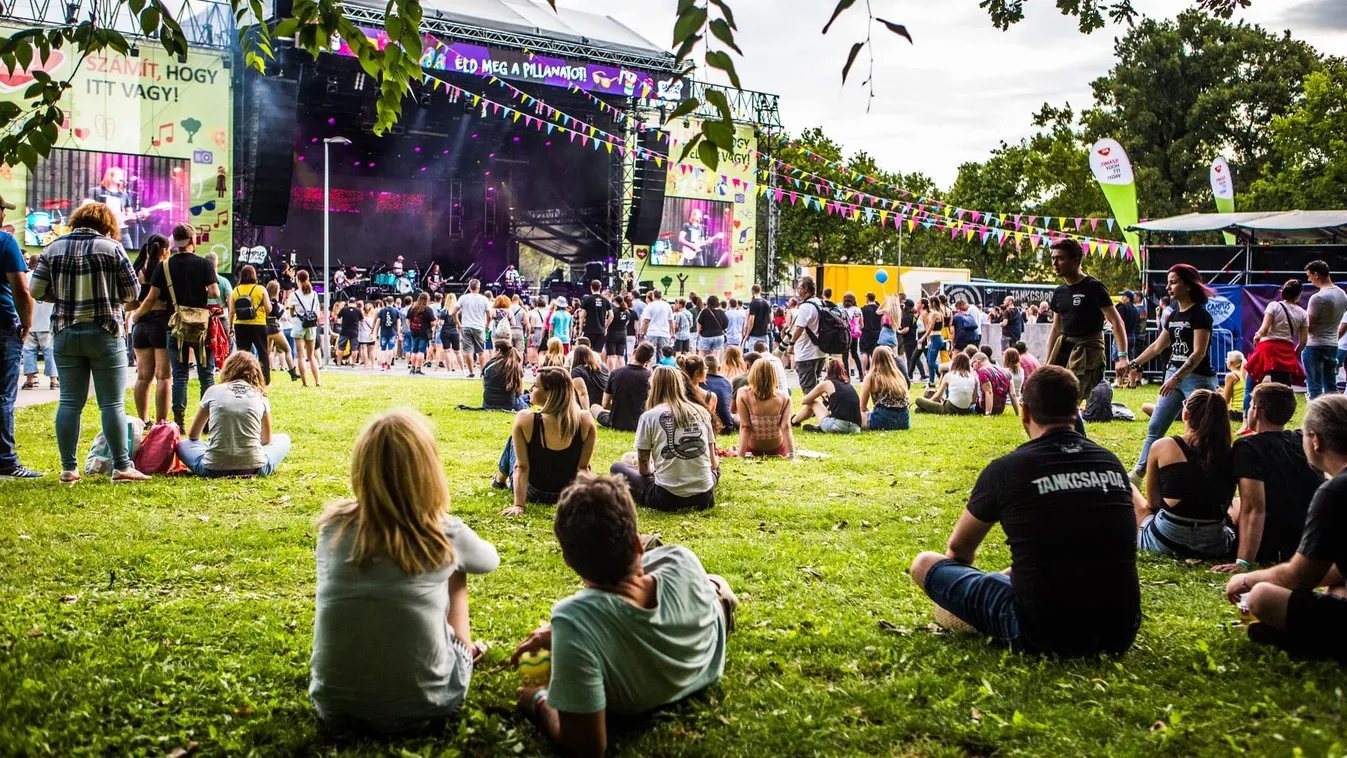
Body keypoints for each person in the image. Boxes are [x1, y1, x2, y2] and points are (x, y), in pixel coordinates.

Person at [908, 365, 1141, 656]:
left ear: (1025, 413)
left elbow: (959, 551)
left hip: (1042, 631)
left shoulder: (1007, 470)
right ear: (1076, 411)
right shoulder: (1111, 463)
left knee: (924, 563)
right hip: (1119, 629)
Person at [511, 474, 733, 756]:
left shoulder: (573, 619)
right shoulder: (680, 558)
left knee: (712, 583)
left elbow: (586, 746)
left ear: (569, 562)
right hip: (714, 625)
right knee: (714, 583)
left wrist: (539, 700)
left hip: (705, 610)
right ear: (638, 544)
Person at [309, 409, 497, 733]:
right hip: (430, 703)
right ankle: (462, 651)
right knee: (457, 571)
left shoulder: (333, 528)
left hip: (334, 706)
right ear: (429, 470)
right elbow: (489, 560)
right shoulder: (442, 533)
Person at [29, 203, 151, 481]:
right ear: (107, 225)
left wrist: (60, 297)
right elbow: (132, 291)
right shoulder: (113, 248)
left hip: (65, 331)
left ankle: (68, 468)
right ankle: (122, 467)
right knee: (111, 404)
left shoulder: (53, 248)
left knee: (69, 402)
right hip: (105, 331)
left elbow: (36, 289)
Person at [1222, 393, 1347, 663]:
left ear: (1316, 440)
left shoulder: (1335, 492)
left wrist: (1246, 580)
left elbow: (1299, 577)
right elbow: (1335, 570)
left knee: (1262, 596)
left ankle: (1313, 644)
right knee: (1338, 589)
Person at [1212, 383, 1320, 575]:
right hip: (1310, 538)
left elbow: (1254, 507)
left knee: (1233, 506)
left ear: (1256, 410)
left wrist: (1244, 562)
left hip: (1275, 543)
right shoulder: (1301, 439)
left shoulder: (1248, 447)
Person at [1126, 264, 1220, 480]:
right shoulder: (1174, 316)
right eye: (1168, 282)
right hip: (1173, 376)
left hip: (1197, 380)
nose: (1168, 287)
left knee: (1204, 432)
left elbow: (1199, 353)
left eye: (1173, 282)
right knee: (1155, 426)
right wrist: (1132, 365)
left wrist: (1177, 378)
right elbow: (1156, 347)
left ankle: (1211, 475)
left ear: (1188, 286)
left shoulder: (1200, 316)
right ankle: (1138, 474)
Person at [136, 224, 218, 430]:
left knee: (180, 375)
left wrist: (137, 316)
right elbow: (215, 292)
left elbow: (151, 297)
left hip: (175, 324)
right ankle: (207, 422)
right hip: (201, 325)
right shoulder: (204, 264)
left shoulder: (164, 266)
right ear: (192, 240)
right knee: (206, 375)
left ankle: (179, 421)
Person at [1137, 389, 1236, 559]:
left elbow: (1152, 503)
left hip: (1166, 540)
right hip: (1214, 543)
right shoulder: (1230, 452)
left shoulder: (1163, 446)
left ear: (1186, 415)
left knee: (1129, 488)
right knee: (1238, 504)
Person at [609, 365, 719, 510]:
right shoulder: (702, 412)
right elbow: (713, 463)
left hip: (666, 498)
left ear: (653, 386)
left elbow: (644, 470)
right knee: (716, 470)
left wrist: (654, 467)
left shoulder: (648, 417)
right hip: (705, 497)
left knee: (617, 467)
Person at [495, 367, 597, 516]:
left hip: (533, 492)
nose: (531, 389)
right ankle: (499, 479)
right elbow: (583, 468)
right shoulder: (585, 419)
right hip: (567, 494)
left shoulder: (525, 419)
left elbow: (521, 467)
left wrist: (518, 505)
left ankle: (499, 480)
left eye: (535, 385)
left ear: (549, 392)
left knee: (513, 440)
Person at [1045, 239, 1129, 413]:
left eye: (1060, 258)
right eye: (1053, 258)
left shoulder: (1093, 287)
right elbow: (1056, 328)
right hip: (1064, 348)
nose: (1054, 263)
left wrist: (1122, 357)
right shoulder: (1059, 292)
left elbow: (1116, 321)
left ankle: (1070, 429)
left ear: (1075, 260)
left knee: (1069, 400)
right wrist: (1048, 362)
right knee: (1054, 397)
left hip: (1088, 351)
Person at [176, 351, 290, 477]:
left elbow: (193, 435)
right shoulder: (260, 395)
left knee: (183, 444)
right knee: (283, 439)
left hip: (212, 468)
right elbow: (266, 439)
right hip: (255, 468)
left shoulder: (213, 391)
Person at [0, 195, 39, 479]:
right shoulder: (5, 242)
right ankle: (5, 461)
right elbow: (22, 291)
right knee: (3, 395)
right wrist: (26, 323)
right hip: (2, 325)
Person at [127, 236, 171, 422]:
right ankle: (161, 422)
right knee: (163, 377)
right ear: (164, 250)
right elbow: (153, 298)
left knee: (143, 377)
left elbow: (130, 302)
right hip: (161, 323)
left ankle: (143, 420)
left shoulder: (138, 270)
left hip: (141, 326)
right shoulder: (164, 270)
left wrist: (136, 313)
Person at [1302, 261, 1347, 399]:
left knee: (1314, 388)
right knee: (1331, 387)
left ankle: (1317, 412)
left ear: (1316, 275)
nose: (1309, 280)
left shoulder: (1317, 298)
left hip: (1314, 345)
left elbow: (1308, 326)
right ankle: (1335, 411)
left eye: (1309, 276)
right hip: (1332, 344)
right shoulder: (1342, 295)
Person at [734, 358, 794, 457]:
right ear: (773, 375)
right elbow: (786, 427)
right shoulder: (784, 397)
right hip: (777, 448)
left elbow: (746, 426)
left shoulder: (743, 394)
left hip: (753, 449)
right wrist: (791, 455)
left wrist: (740, 456)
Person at [592, 342, 654, 433]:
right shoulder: (651, 377)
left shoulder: (615, 373)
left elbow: (605, 404)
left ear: (634, 352)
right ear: (648, 361)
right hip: (640, 422)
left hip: (616, 422)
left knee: (594, 407)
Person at [791, 358, 863, 434]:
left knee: (814, 402)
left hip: (836, 426)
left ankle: (794, 421)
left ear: (828, 370)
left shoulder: (827, 383)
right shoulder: (849, 385)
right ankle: (819, 427)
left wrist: (819, 392)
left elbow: (805, 401)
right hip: (855, 428)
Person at [230, 264, 273, 383]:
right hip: (258, 324)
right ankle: (265, 379)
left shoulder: (236, 290)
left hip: (240, 324)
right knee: (262, 352)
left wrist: (230, 327)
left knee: (242, 354)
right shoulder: (260, 289)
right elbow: (268, 308)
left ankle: (242, 378)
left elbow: (232, 311)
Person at [789, 276, 830, 394]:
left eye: (799, 288)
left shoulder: (806, 306)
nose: (798, 291)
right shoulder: (819, 303)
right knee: (815, 389)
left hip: (806, 353)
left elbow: (799, 327)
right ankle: (824, 404)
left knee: (808, 393)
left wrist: (791, 344)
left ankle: (822, 406)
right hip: (820, 351)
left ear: (805, 289)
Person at [859, 346, 910, 431]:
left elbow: (862, 407)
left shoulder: (871, 377)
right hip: (904, 419)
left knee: (858, 415)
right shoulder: (899, 376)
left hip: (884, 418)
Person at [290, 270, 322, 387]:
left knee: (301, 356)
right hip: (311, 326)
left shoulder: (294, 295)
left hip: (299, 325)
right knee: (311, 356)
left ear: (297, 280)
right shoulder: (314, 294)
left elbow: (292, 312)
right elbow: (317, 312)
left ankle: (305, 382)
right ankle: (318, 381)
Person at [263, 280, 299, 382]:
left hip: (265, 326)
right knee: (287, 349)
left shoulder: (264, 300)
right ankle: (292, 372)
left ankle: (264, 373)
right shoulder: (274, 301)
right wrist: (284, 308)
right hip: (274, 327)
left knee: (267, 352)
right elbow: (276, 315)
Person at [457, 279, 491, 377]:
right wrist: (487, 325)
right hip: (479, 326)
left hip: (466, 326)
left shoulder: (463, 298)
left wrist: (458, 323)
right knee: (481, 351)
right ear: (478, 288)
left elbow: (454, 311)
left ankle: (471, 372)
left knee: (468, 351)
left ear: (469, 287)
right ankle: (482, 372)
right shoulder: (484, 299)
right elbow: (489, 315)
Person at [971, 351, 1020, 418]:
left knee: (970, 407)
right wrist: (1017, 414)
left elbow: (989, 392)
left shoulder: (982, 371)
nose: (973, 369)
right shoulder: (1007, 372)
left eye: (972, 365)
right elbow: (1013, 394)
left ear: (977, 362)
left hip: (982, 409)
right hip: (999, 410)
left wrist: (988, 414)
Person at [482, 340, 527, 411]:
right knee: (525, 398)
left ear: (498, 350)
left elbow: (484, 385)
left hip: (488, 404)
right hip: (509, 405)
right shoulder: (514, 366)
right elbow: (520, 391)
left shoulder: (489, 365)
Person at [700, 354, 736, 433]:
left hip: (706, 425)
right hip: (727, 425)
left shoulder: (700, 382)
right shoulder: (727, 382)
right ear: (719, 368)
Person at [1113, 291, 1140, 387]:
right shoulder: (1136, 309)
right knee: (1132, 361)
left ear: (1128, 298)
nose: (1122, 298)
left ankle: (1119, 382)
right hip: (1132, 336)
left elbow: (1118, 322)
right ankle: (1132, 383)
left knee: (1118, 359)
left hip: (1121, 336)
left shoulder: (1122, 307)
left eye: (1123, 296)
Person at [569, 344, 608, 409]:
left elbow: (582, 394)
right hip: (603, 405)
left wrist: (587, 412)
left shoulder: (577, 372)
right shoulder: (603, 368)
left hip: (590, 406)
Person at [577, 280, 611, 351]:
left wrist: (581, 328)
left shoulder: (587, 299)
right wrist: (605, 327)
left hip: (588, 330)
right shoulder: (605, 300)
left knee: (587, 351)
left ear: (591, 287)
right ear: (600, 287)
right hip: (600, 331)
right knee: (597, 352)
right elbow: (611, 316)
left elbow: (582, 315)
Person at [604, 296, 632, 370]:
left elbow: (609, 319)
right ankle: (622, 372)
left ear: (615, 302)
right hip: (623, 334)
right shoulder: (627, 312)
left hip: (612, 334)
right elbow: (627, 323)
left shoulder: (612, 311)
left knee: (611, 355)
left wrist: (605, 327)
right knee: (620, 356)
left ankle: (611, 372)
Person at [376, 295, 403, 372]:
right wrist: (398, 332)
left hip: (383, 332)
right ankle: (388, 366)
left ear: (386, 302)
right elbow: (398, 323)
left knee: (383, 349)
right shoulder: (396, 311)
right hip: (392, 333)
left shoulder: (382, 311)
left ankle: (383, 365)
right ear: (393, 302)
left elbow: (378, 322)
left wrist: (376, 332)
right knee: (391, 349)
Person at [335, 297, 362, 368]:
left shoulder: (344, 309)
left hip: (344, 331)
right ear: (355, 303)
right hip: (354, 331)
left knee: (341, 347)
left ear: (348, 302)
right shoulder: (358, 310)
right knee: (354, 348)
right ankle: (353, 364)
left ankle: (338, 363)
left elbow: (338, 317)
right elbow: (362, 320)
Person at [1223, 351, 1247, 423]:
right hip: (1246, 412)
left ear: (1230, 362)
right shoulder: (1246, 374)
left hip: (1237, 413)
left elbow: (1226, 400)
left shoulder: (1231, 376)